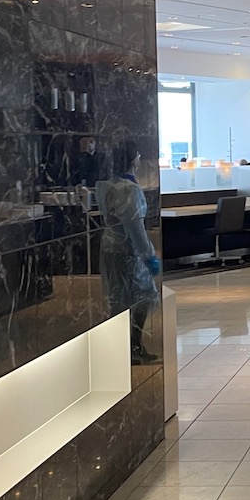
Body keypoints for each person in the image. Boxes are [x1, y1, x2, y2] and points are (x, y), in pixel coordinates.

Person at [99, 138, 162, 364]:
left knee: (119, 298)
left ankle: (121, 348)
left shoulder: (108, 185)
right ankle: (133, 346)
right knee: (142, 296)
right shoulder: (129, 190)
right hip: (127, 250)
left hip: (110, 246)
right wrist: (149, 255)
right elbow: (136, 228)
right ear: (133, 160)